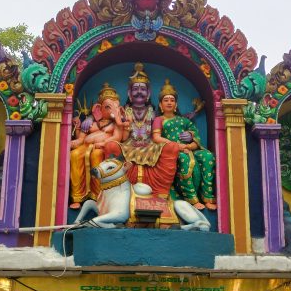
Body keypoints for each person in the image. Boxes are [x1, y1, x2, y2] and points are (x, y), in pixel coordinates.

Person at [100, 62, 179, 197]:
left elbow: (157, 134)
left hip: (150, 145)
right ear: (129, 93)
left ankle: (160, 191)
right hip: (129, 145)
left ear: (148, 93)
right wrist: (125, 125)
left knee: (171, 148)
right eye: (135, 89)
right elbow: (124, 138)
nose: (139, 92)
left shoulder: (153, 112)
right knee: (111, 146)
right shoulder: (125, 111)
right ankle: (116, 189)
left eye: (142, 89)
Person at [151, 79, 216, 210]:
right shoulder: (159, 120)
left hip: (188, 148)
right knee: (184, 160)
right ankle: (191, 198)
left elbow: (195, 135)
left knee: (208, 156)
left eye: (172, 100)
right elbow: (156, 137)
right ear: (160, 105)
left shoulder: (183, 120)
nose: (169, 102)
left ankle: (207, 197)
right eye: (166, 100)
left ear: (176, 104)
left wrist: (191, 141)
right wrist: (176, 146)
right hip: (170, 151)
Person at [69, 83, 125, 208]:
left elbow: (117, 137)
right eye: (108, 107)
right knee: (74, 155)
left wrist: (104, 143)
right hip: (85, 146)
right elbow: (80, 139)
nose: (112, 111)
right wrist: (77, 129)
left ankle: (97, 195)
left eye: (115, 107)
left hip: (102, 149)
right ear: (99, 109)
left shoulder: (117, 124)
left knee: (96, 157)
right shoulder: (90, 122)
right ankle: (78, 196)